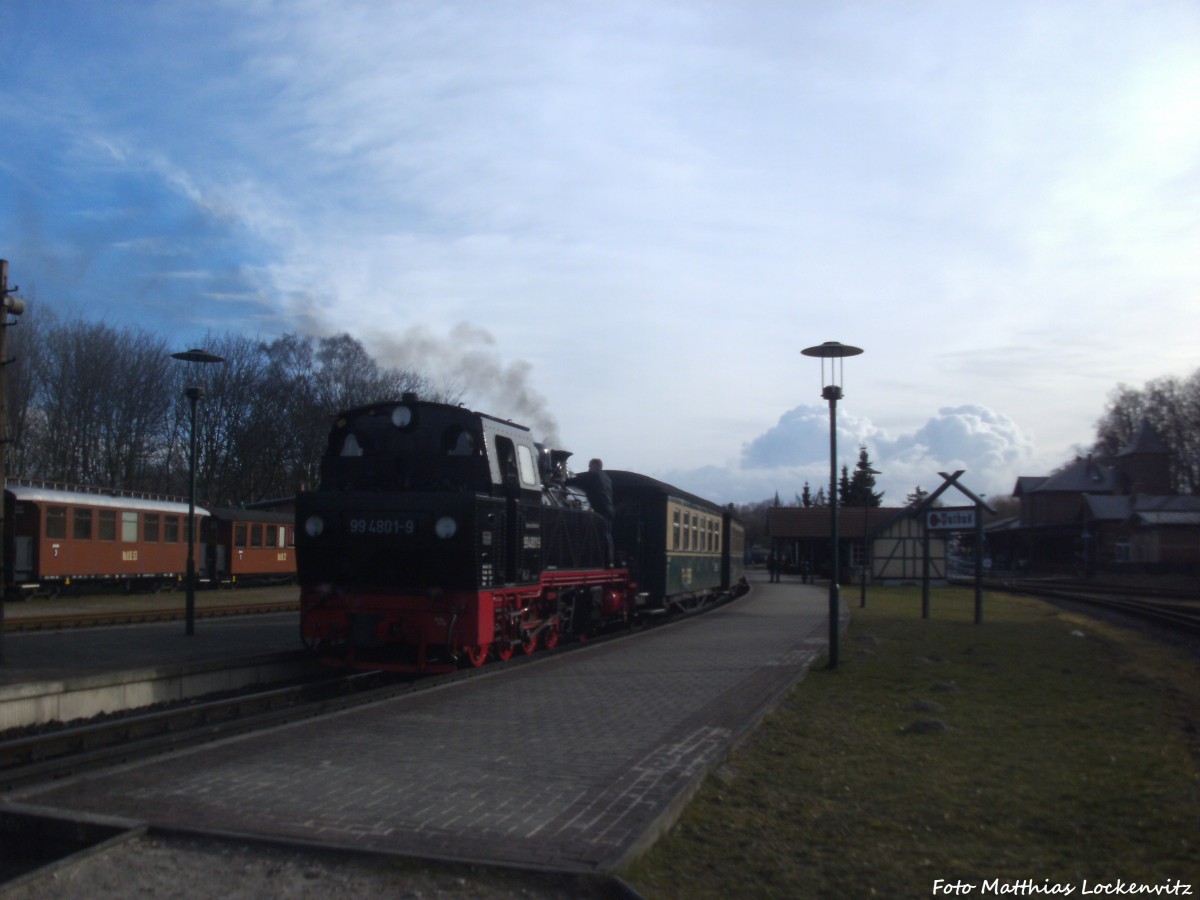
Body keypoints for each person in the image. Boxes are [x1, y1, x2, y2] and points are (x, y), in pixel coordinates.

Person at [568, 458, 614, 566]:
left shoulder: (594, 475)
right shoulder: (607, 478)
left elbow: (577, 480)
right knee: (606, 535)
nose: (588, 469)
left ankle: (594, 561)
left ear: (595, 466)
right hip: (609, 509)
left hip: (599, 510)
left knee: (591, 535)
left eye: (590, 466)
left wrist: (563, 481)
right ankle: (607, 561)